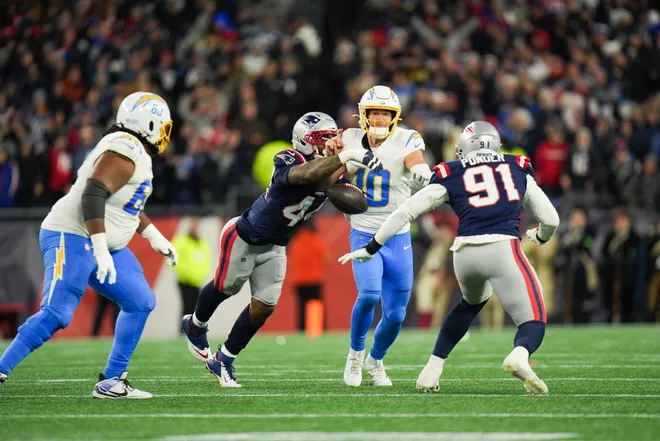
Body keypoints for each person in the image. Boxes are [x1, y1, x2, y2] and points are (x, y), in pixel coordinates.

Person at [340, 121, 560, 395]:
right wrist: (540, 237)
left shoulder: (451, 171)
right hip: (504, 247)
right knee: (534, 320)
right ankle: (519, 354)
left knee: (470, 304)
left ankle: (432, 369)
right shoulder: (517, 166)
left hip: (464, 253)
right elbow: (551, 219)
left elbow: (406, 211)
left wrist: (372, 246)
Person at [181, 112, 383, 388]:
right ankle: (195, 325)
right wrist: (344, 157)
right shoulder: (289, 158)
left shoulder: (330, 168)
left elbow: (328, 181)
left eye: (332, 137)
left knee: (263, 308)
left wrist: (353, 154)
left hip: (276, 245)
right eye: (324, 138)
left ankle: (223, 360)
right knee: (225, 288)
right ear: (306, 141)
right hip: (245, 236)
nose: (331, 142)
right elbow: (307, 175)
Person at [0, 92, 178, 399]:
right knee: (57, 312)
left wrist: (153, 236)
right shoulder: (126, 147)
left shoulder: (131, 149)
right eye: (161, 124)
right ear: (147, 122)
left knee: (140, 301)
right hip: (72, 233)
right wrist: (98, 247)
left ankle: (111, 381)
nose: (165, 132)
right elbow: (93, 193)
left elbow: (124, 206)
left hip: (101, 241)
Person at [324, 85, 433, 387]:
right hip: (362, 230)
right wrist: (335, 157)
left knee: (397, 314)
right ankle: (355, 357)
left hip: (397, 233)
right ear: (364, 114)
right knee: (370, 294)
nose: (381, 118)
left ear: (395, 116)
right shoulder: (347, 138)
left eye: (386, 113)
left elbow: (415, 159)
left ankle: (376, 360)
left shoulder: (406, 138)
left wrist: (422, 169)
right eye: (376, 112)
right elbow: (328, 179)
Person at [287, 220, 331, 332]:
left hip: (299, 280)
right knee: (317, 305)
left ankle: (302, 329)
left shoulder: (295, 240)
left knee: (301, 307)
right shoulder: (316, 239)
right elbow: (326, 259)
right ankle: (319, 329)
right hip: (315, 279)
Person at [171, 217, 212, 319]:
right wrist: (186, 272)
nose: (195, 228)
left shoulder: (201, 243)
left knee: (194, 307)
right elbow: (172, 258)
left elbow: (205, 259)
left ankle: (187, 329)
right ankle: (184, 329)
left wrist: (202, 274)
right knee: (188, 306)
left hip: (196, 281)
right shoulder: (182, 241)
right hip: (185, 280)